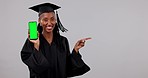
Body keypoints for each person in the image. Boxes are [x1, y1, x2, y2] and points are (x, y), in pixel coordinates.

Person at [21, 2, 91, 78]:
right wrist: (36, 45)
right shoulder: (32, 41)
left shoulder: (63, 41)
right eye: (45, 20)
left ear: (56, 20)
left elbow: (68, 67)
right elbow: (34, 66)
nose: (49, 23)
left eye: (52, 19)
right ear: (39, 21)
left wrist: (76, 50)